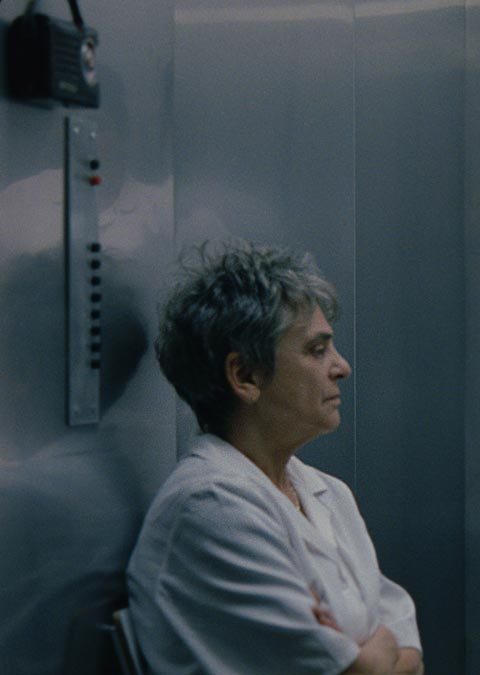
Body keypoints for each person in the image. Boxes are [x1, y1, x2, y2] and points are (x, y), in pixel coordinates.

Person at [126, 241, 423, 674]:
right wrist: (374, 649)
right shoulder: (211, 506)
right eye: (317, 350)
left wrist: (371, 650)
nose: (342, 366)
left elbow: (410, 648)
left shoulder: (327, 493)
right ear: (245, 375)